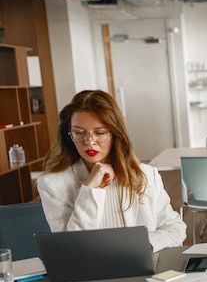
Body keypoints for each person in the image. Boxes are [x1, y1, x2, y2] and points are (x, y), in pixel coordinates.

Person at [37, 90, 187, 252]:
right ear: (69, 135)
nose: (89, 141)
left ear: (115, 134)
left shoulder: (147, 175)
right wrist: (90, 189)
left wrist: (143, 245)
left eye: (100, 133)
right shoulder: (52, 184)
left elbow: (175, 228)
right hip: (89, 274)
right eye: (79, 133)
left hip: (145, 268)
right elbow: (71, 248)